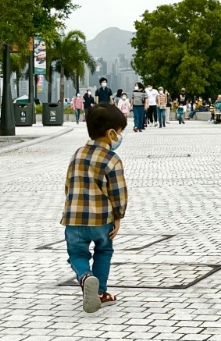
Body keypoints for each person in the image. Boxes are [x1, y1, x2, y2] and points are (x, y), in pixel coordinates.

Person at [60, 103, 128, 313]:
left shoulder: (77, 154)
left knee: (77, 254)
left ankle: (85, 277)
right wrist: (118, 216)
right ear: (110, 133)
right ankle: (99, 291)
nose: (119, 137)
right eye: (119, 133)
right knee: (104, 250)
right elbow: (118, 193)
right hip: (101, 220)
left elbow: (68, 185)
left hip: (74, 219)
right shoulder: (112, 159)